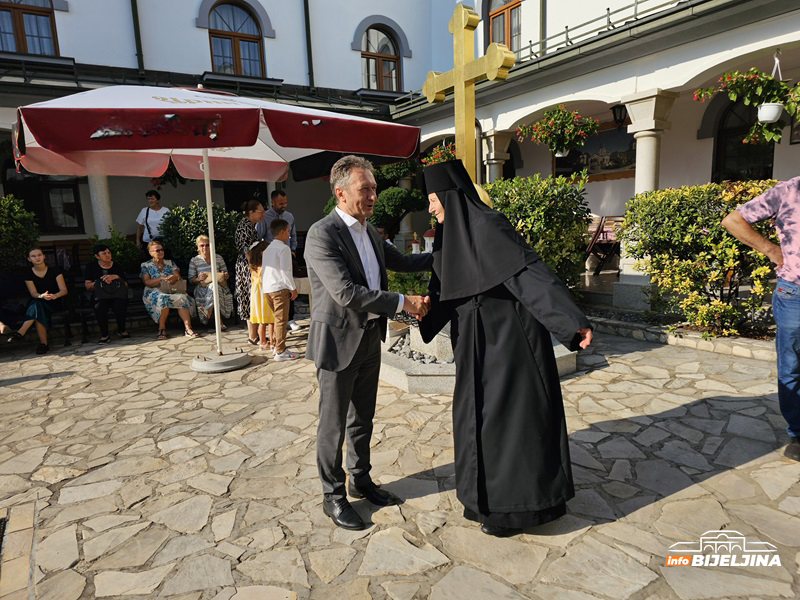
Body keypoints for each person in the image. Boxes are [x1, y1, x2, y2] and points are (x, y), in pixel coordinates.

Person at [419, 159, 593, 537]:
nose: (430, 208)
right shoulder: (453, 236)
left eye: (433, 199)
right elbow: (447, 285)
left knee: (511, 424)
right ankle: (485, 502)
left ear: (450, 196)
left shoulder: (488, 225)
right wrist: (422, 309)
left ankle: (518, 509)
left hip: (510, 343)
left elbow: (531, 275)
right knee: (476, 422)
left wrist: (570, 321)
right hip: (474, 344)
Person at [304, 155, 433, 531]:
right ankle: (333, 496)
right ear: (340, 193)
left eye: (374, 188)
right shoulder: (322, 234)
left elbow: (402, 263)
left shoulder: (370, 230)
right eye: (366, 188)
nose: (374, 194)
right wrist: (402, 303)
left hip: (368, 340)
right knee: (333, 425)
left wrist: (450, 253)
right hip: (337, 343)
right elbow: (345, 292)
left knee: (363, 418)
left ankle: (361, 480)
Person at [722, 177, 800, 460]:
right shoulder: (790, 190)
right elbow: (733, 221)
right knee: (792, 367)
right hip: (796, 291)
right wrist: (770, 249)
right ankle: (798, 434)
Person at [7, 247, 69, 355]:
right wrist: (41, 296)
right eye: (33, 256)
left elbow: (64, 290)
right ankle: (43, 344)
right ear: (29, 259)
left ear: (44, 257)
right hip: (39, 300)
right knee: (37, 306)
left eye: (39, 255)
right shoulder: (28, 274)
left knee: (36, 307)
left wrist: (54, 295)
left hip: (54, 301)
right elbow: (33, 293)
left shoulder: (55, 271)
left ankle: (22, 333)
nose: (37, 258)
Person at [256, 190, 301, 332]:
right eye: (281, 203)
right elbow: (259, 236)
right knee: (278, 286)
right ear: (273, 203)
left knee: (289, 283)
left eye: (285, 202)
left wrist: (293, 249)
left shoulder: (289, 216)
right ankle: (276, 322)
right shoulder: (265, 217)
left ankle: (291, 318)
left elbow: (293, 234)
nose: (284, 206)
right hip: (271, 256)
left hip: (287, 252)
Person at [140, 241, 198, 340]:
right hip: (153, 290)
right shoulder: (145, 265)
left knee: (182, 297)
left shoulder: (170, 262)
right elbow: (147, 282)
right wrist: (160, 279)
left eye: (162, 249)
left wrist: (173, 278)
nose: (161, 252)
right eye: (157, 250)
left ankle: (188, 328)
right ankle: (162, 329)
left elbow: (178, 277)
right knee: (163, 299)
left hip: (171, 289)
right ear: (151, 252)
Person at [262, 219, 299, 361]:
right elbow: (285, 271)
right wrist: (293, 288)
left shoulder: (267, 249)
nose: (289, 234)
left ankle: (277, 346)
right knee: (281, 321)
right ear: (282, 232)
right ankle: (280, 351)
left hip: (268, 288)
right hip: (279, 288)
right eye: (288, 231)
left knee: (277, 320)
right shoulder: (284, 248)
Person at [83, 243, 129, 343]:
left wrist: (116, 277)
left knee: (120, 304)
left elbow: (125, 284)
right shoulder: (91, 266)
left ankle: (122, 329)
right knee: (99, 306)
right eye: (104, 253)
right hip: (100, 296)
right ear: (97, 256)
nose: (107, 255)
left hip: (117, 294)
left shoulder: (116, 266)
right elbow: (87, 286)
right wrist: (99, 282)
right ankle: (104, 334)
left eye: (109, 253)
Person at [235, 200, 266, 345]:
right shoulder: (244, 227)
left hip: (250, 265)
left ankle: (254, 335)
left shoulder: (250, 226)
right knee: (250, 297)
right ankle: (253, 336)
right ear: (252, 212)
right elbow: (246, 250)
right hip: (247, 267)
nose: (263, 214)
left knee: (251, 297)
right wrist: (254, 268)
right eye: (260, 212)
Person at [188, 235, 233, 331]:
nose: (205, 248)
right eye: (202, 245)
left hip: (220, 286)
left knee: (214, 287)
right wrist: (198, 279)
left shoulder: (218, 258)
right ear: (198, 247)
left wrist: (225, 275)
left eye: (207, 245)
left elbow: (226, 274)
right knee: (213, 287)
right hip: (202, 289)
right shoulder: (195, 260)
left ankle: (207, 312)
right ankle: (219, 321)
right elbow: (191, 279)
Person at [247, 240, 274, 351]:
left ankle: (262, 342)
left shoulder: (253, 266)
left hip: (256, 296)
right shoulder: (264, 266)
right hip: (265, 294)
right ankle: (272, 342)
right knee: (271, 320)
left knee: (262, 321)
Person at [136, 190, 170, 254]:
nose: (150, 201)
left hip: (163, 241)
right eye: (148, 199)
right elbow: (139, 227)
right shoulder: (144, 211)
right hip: (148, 241)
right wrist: (138, 241)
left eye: (152, 199)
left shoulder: (166, 210)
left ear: (158, 200)